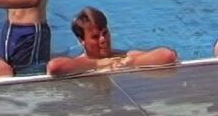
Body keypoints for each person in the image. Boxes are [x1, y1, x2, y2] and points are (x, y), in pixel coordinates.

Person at [46, 7, 177, 76]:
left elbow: (167, 56)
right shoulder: (80, 63)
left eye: (105, 33)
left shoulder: (123, 57)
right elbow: (54, 67)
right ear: (81, 41)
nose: (103, 40)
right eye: (95, 37)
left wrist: (128, 63)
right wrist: (98, 65)